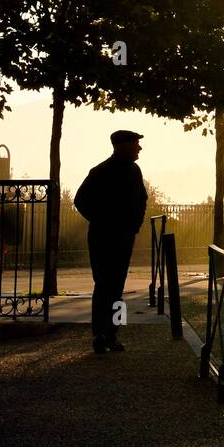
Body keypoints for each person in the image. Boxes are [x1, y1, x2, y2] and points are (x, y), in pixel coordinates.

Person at [74, 130, 148, 353]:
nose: (139, 148)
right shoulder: (130, 171)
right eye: (136, 144)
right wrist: (133, 225)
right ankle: (112, 334)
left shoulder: (100, 171)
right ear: (123, 146)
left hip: (102, 235)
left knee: (104, 285)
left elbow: (80, 201)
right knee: (116, 287)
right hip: (119, 236)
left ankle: (101, 333)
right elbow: (141, 200)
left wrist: (99, 220)